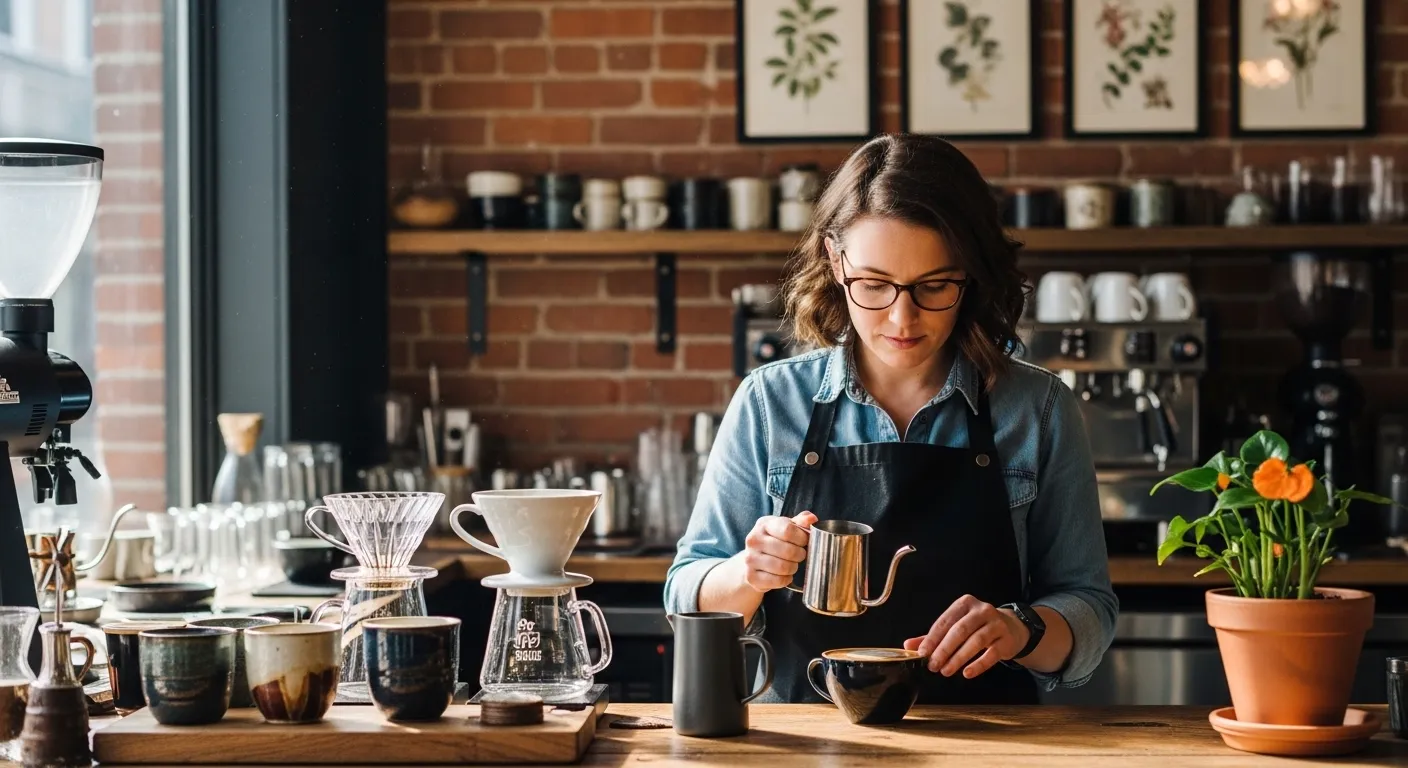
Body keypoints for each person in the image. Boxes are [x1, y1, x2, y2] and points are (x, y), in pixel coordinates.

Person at [663, 134, 1118, 704]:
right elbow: (685, 594)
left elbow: (1089, 609)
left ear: (972, 274)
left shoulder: (1039, 409)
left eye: (934, 286)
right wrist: (747, 573)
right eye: (873, 284)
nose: (902, 318)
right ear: (835, 260)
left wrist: (1020, 629)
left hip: (991, 745)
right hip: (809, 746)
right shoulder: (768, 402)